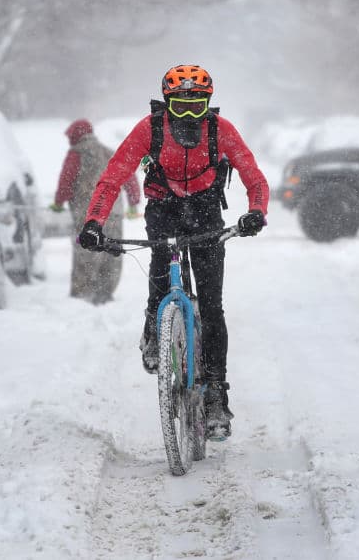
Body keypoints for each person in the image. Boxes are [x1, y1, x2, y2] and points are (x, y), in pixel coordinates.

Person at [76, 65, 269, 439]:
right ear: (166, 104)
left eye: (197, 105)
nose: (189, 114)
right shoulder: (149, 129)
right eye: (180, 105)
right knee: (161, 263)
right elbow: (113, 176)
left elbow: (254, 176)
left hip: (207, 212)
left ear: (208, 104)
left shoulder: (221, 131)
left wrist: (255, 213)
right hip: (163, 208)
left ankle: (216, 392)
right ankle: (154, 322)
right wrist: (94, 222)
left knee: (212, 306)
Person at [50, 119, 141, 304]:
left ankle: (83, 296)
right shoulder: (109, 152)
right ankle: (105, 293)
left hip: (88, 215)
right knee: (111, 251)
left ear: (76, 135)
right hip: (113, 212)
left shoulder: (77, 154)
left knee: (87, 251)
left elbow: (66, 180)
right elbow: (129, 176)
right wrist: (133, 202)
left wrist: (59, 202)